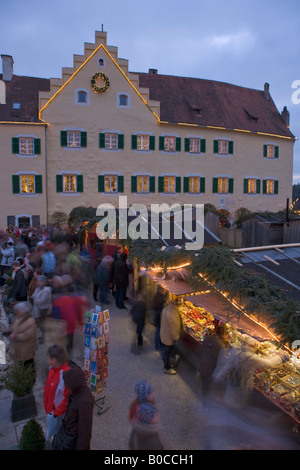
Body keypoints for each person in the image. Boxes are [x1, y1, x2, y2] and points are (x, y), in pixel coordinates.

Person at [60, 367, 94, 450]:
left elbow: (85, 431)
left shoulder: (84, 402)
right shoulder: (77, 392)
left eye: (67, 384)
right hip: (71, 435)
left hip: (75, 441)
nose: (65, 386)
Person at [44, 345, 71, 443]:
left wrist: (56, 413)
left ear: (59, 359)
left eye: (51, 359)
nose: (48, 361)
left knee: (59, 433)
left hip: (58, 414)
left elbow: (66, 399)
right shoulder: (52, 368)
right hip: (52, 411)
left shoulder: (65, 375)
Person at [196, 322, 226, 398]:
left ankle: (205, 404)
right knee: (209, 392)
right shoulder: (221, 346)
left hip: (203, 368)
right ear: (223, 333)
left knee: (205, 389)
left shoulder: (208, 338)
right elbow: (220, 362)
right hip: (211, 372)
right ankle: (207, 406)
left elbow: (200, 352)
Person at [7, 301, 37, 377]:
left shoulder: (30, 321)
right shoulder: (19, 317)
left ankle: (29, 383)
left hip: (26, 348)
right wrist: (10, 330)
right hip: (20, 347)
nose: (16, 313)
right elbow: (14, 326)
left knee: (28, 365)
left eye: (17, 311)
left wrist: (15, 336)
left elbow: (29, 335)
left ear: (23, 311)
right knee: (22, 364)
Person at [160, 300, 182, 375]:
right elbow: (174, 328)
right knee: (168, 353)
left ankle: (168, 364)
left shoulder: (165, 310)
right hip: (169, 337)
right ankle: (167, 368)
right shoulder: (173, 314)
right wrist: (176, 337)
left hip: (164, 334)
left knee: (166, 352)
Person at [31, 275, 52, 344]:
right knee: (40, 324)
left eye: (39, 281)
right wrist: (32, 298)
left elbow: (42, 300)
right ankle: (43, 336)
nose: (37, 282)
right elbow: (34, 295)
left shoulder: (47, 290)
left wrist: (34, 300)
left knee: (43, 324)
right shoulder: (38, 288)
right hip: (37, 308)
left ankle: (45, 337)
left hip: (43, 310)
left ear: (43, 282)